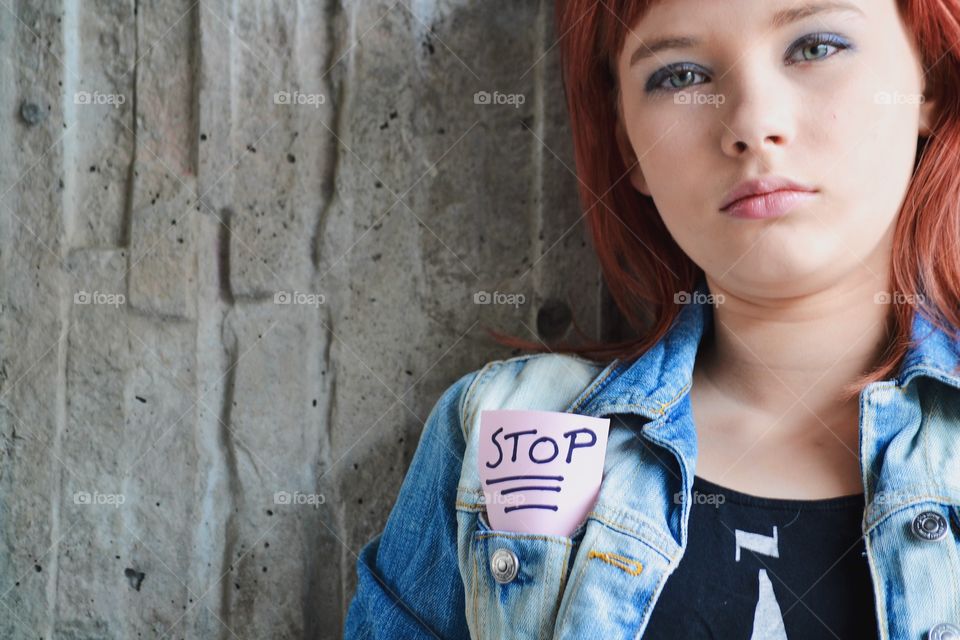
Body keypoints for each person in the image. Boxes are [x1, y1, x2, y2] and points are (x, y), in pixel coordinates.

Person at [345, 0, 960, 637]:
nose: (751, 123)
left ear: (932, 79)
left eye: (815, 47)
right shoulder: (505, 432)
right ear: (628, 146)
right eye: (681, 76)